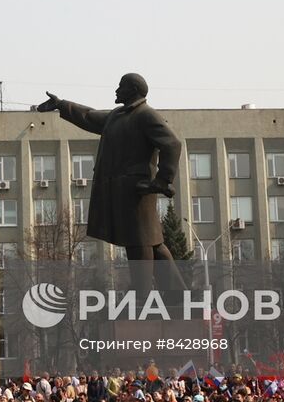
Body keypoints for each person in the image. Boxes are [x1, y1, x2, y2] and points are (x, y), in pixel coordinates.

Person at [36, 75, 186, 293]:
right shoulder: (119, 115)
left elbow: (172, 143)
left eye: (121, 86)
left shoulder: (145, 115)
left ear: (133, 90)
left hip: (138, 189)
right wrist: (61, 105)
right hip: (122, 189)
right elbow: (88, 116)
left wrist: (162, 180)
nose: (116, 90)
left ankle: (142, 296)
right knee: (150, 242)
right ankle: (176, 293)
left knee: (140, 240)